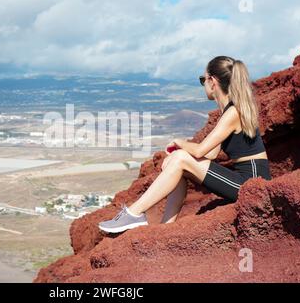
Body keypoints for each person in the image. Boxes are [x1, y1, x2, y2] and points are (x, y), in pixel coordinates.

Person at [99, 56, 272, 234]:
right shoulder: (229, 111)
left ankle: (134, 213)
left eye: (202, 80)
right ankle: (166, 228)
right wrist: (176, 158)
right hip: (246, 181)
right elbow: (211, 154)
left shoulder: (233, 112)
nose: (203, 84)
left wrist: (178, 143)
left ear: (212, 81)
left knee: (181, 159)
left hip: (251, 185)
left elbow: (200, 150)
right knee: (180, 164)